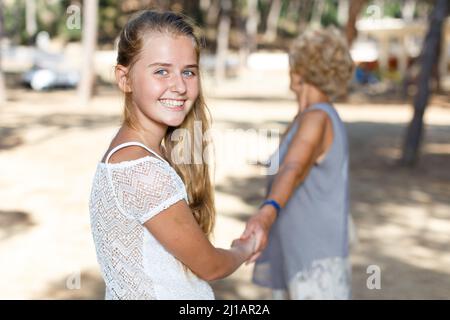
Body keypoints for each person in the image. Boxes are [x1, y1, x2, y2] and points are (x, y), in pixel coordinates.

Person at [89, 10, 255, 300]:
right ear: (124, 78)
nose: (179, 86)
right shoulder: (140, 171)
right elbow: (211, 266)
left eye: (188, 71)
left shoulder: (143, 152)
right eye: (161, 71)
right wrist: (245, 249)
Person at [241, 27, 354, 300]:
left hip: (314, 268)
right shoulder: (306, 117)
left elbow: (294, 168)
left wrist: (266, 213)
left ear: (301, 70)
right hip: (296, 258)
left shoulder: (317, 118)